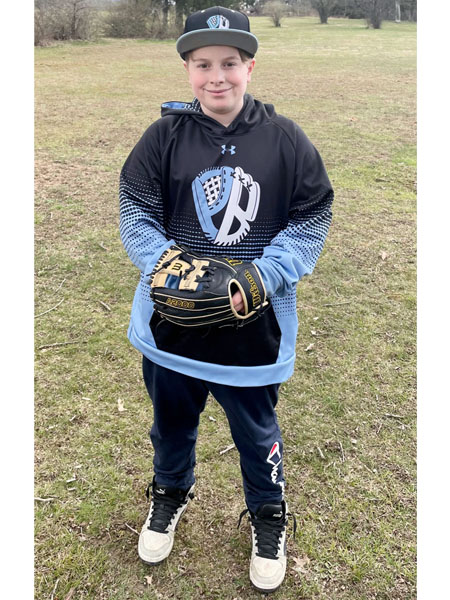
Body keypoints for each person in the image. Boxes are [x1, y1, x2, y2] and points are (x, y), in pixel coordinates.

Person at [119, 6, 333, 593]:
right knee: (171, 425)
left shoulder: (284, 138)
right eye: (203, 64)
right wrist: (169, 266)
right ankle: (169, 494)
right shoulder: (163, 135)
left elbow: (312, 216)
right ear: (188, 69)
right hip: (172, 325)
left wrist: (264, 276)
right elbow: (135, 210)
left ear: (250, 66)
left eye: (230, 63)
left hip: (252, 330)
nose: (217, 76)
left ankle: (268, 516)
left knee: (257, 432)